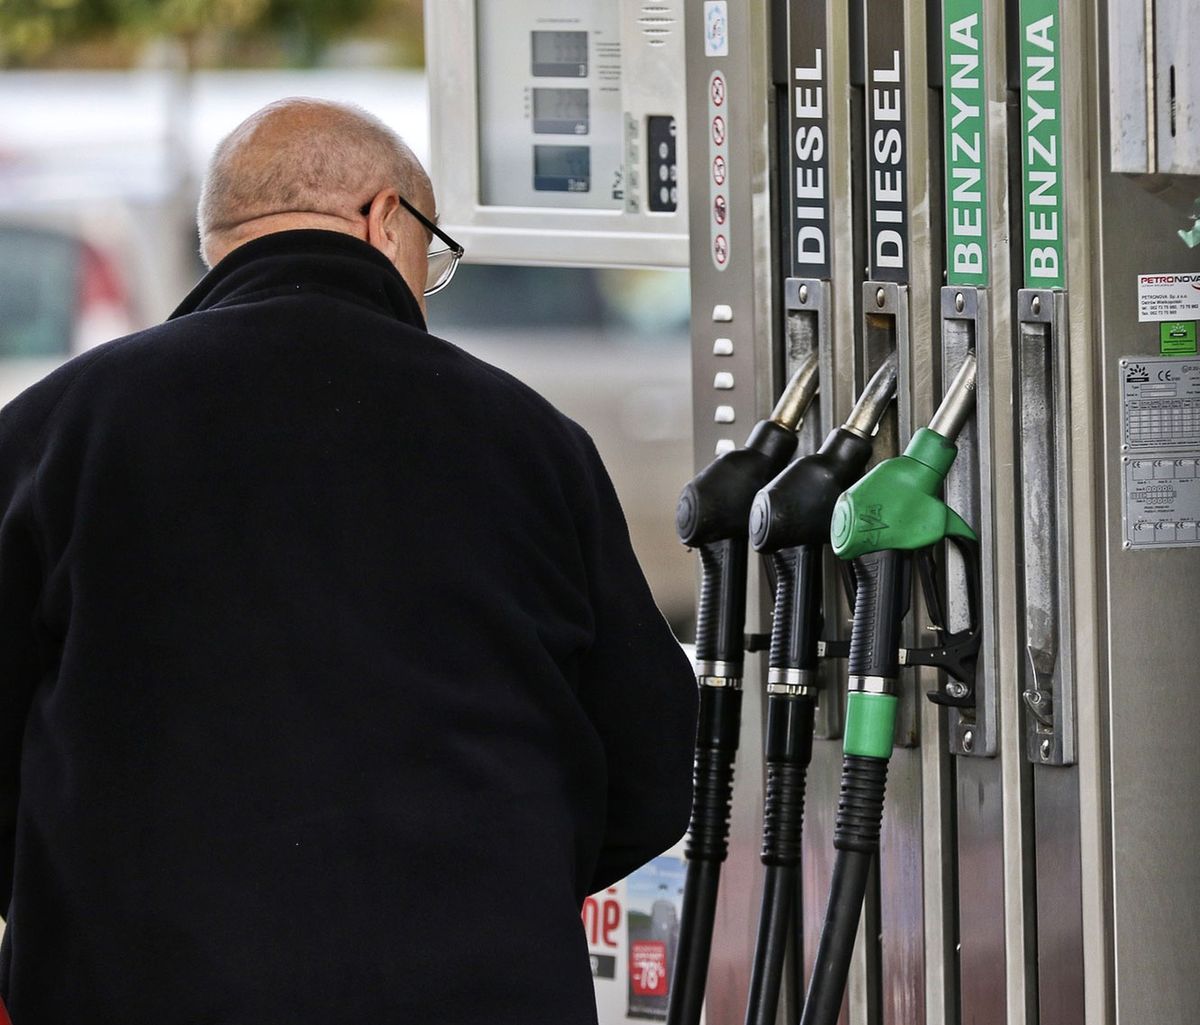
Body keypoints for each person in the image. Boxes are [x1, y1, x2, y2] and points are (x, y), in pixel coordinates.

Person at [0, 98, 697, 1023]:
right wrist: (499, 889)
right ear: (386, 221)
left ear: (224, 242)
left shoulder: (61, 429)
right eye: (432, 257)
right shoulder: (529, 440)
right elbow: (650, 765)